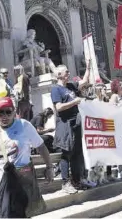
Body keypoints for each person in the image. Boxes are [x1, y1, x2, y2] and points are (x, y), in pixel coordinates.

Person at [0, 97, 54, 218]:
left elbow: (41, 147)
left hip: (22, 186)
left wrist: (49, 167)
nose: (4, 115)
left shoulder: (24, 125)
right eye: (0, 112)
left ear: (14, 112)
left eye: (8, 111)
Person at [51, 60, 91, 194]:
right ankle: (65, 182)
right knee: (66, 153)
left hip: (76, 123)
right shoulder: (56, 89)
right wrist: (74, 102)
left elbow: (84, 81)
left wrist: (88, 67)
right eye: (66, 71)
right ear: (59, 75)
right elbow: (58, 107)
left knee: (77, 153)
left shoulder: (71, 86)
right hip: (65, 124)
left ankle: (76, 180)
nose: (68, 73)